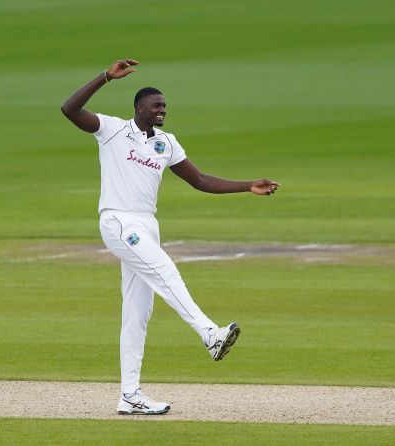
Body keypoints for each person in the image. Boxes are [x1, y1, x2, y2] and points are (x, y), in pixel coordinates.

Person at [60, 59, 280, 415]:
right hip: (118, 221)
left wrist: (246, 186)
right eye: (156, 105)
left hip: (147, 224)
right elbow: (69, 108)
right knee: (165, 270)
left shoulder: (166, 143)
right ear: (139, 108)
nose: (162, 110)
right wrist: (105, 77)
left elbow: (201, 180)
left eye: (164, 106)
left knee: (137, 313)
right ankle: (210, 333)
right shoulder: (112, 130)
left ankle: (130, 395)